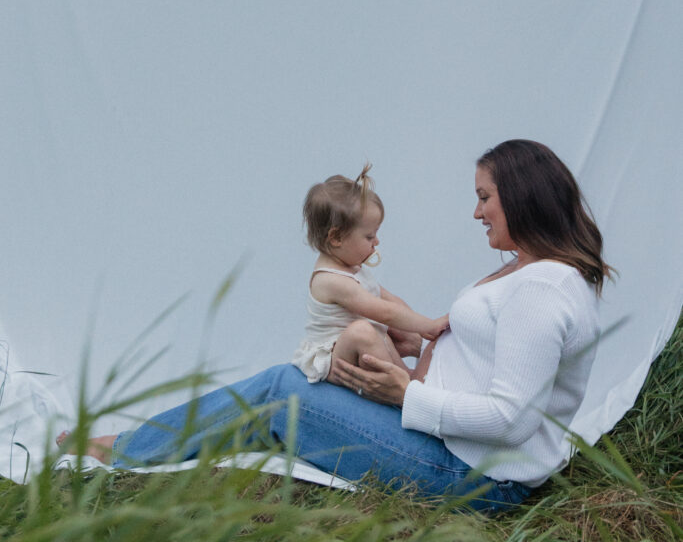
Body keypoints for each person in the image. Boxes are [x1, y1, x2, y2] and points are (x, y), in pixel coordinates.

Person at [61, 140, 612, 512]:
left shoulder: (543, 290)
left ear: (521, 198)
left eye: (484, 197)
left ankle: (129, 450)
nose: (476, 212)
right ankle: (145, 446)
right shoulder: (527, 271)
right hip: (453, 445)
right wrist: (416, 346)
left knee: (282, 390)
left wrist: (408, 393)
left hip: (476, 478)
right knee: (286, 391)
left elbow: (511, 420)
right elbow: (490, 357)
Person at [291, 162, 449, 382]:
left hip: (360, 346)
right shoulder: (330, 280)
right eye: (368, 237)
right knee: (363, 330)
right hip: (334, 361)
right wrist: (429, 325)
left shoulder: (351, 266)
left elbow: (389, 301)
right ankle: (405, 384)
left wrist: (422, 327)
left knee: (380, 329)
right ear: (336, 238)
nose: (377, 241)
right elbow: (384, 312)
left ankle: (408, 377)